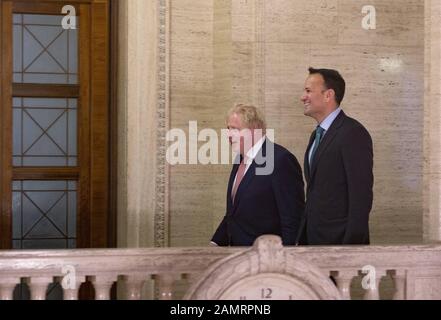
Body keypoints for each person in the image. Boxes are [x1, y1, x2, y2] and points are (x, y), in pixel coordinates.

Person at [297, 67, 374, 245]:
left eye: (308, 91)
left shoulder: (352, 133)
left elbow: (360, 197)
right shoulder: (316, 135)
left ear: (328, 95)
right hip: (313, 241)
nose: (303, 97)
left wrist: (350, 248)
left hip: (339, 244)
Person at [211, 104, 305, 246]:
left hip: (268, 260)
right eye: (228, 129)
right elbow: (234, 214)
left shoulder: (280, 160)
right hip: (239, 258)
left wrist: (285, 259)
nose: (229, 135)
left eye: (235, 129)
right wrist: (215, 244)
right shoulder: (240, 159)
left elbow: (292, 219)